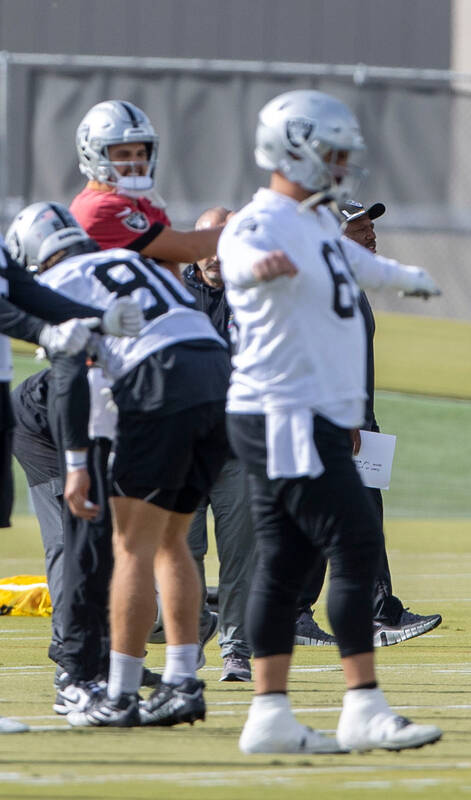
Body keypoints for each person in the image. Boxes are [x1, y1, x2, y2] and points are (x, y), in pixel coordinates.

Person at [219, 89, 443, 754]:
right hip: (284, 411)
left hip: (305, 409)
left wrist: (406, 276)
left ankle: (269, 716)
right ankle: (363, 706)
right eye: (332, 152)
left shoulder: (317, 222)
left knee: (285, 563)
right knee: (354, 542)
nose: (341, 164)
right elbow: (237, 256)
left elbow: (355, 263)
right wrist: (256, 271)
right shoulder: (261, 221)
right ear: (293, 149)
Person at [7, 201, 231, 729]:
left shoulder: (58, 281)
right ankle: (181, 682)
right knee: (173, 541)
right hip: (218, 375)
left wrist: (79, 463)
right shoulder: (143, 263)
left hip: (159, 384)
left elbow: (70, 378)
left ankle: (122, 692)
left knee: (131, 545)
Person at [289, 199, 443, 650]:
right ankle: (366, 614)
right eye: (358, 230)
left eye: (369, 228)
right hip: (338, 423)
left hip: (349, 422)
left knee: (352, 518)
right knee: (351, 519)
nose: (370, 236)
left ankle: (361, 610)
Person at [181, 206, 257, 682]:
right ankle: (189, 642)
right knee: (183, 554)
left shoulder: (256, 295)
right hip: (184, 449)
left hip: (236, 448)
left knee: (239, 555)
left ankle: (237, 650)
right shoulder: (172, 292)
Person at [69, 100, 222, 265]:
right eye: (124, 154)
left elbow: (171, 275)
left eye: (141, 153)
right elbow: (189, 249)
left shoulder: (143, 205)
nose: (136, 163)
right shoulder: (97, 208)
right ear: (92, 156)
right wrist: (242, 226)